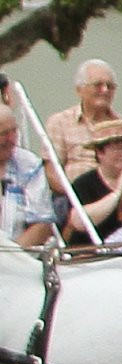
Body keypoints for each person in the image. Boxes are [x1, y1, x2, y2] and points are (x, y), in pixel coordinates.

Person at [46, 60, 119, 186]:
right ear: (79, 90)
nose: (105, 90)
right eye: (98, 85)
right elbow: (52, 172)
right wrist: (75, 198)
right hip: (74, 198)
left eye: (110, 86)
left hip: (119, 197)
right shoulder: (59, 123)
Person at [0, 102, 60, 252]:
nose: (11, 139)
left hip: (19, 257)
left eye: (14, 131)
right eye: (3, 134)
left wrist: (11, 257)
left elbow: (42, 223)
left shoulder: (29, 165)